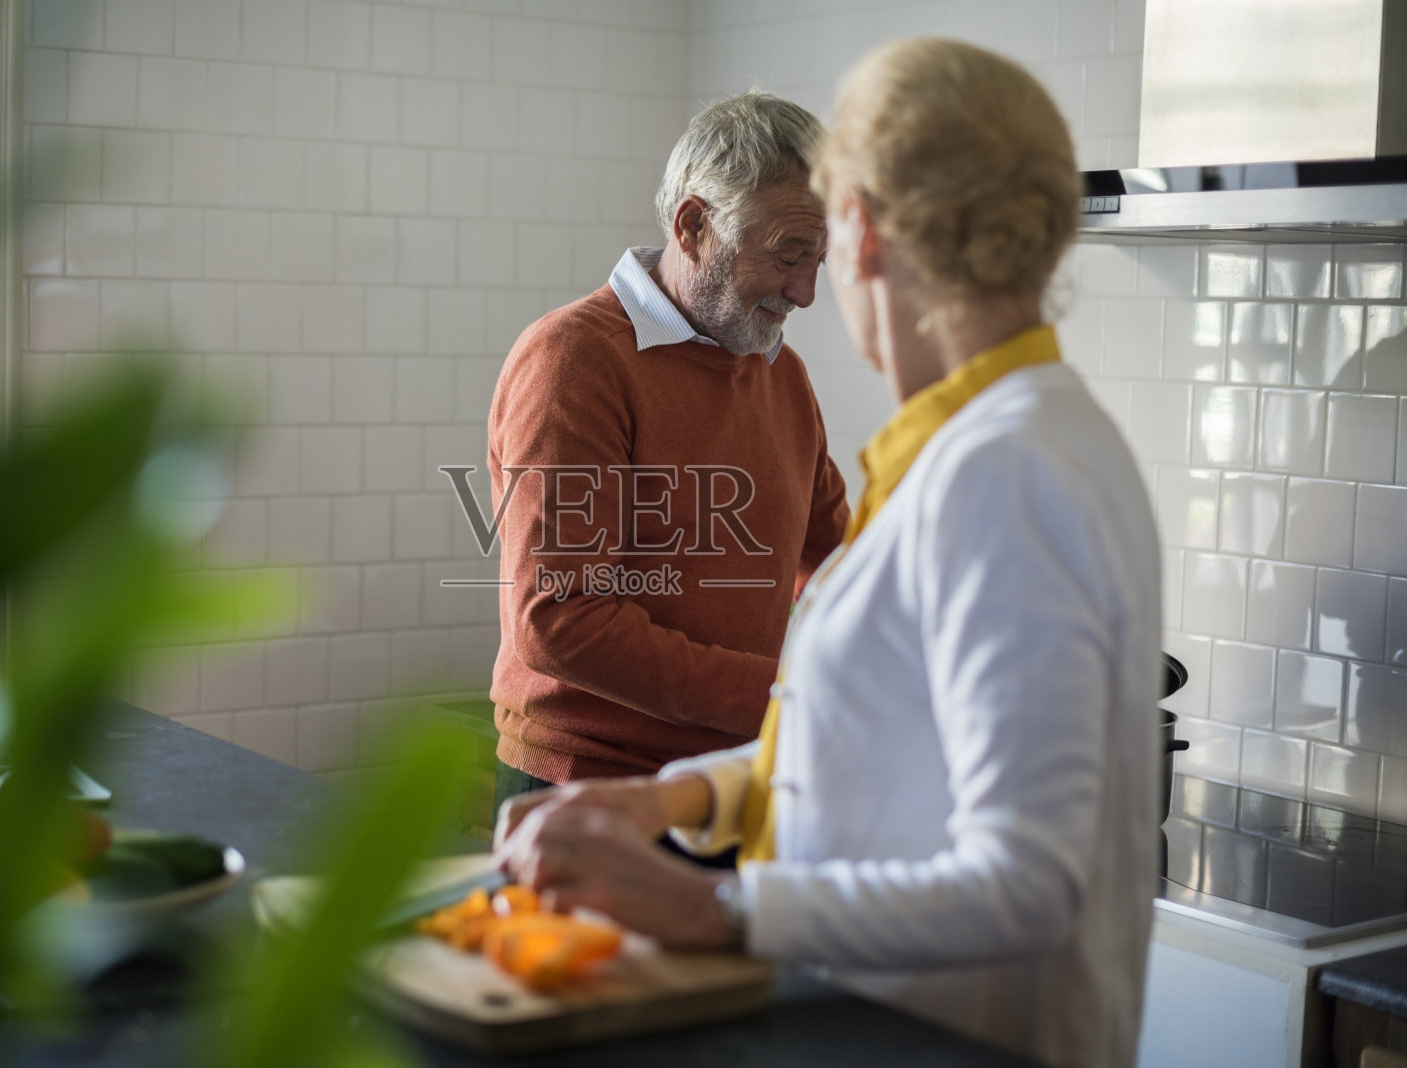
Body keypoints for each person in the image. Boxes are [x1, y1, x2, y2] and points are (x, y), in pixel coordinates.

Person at [496, 38, 1162, 1068]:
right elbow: (863, 714)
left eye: (818, 245)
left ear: (859, 231)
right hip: (632, 804)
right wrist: (686, 796)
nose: (806, 288)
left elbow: (1023, 883)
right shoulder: (999, 444)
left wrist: (714, 902)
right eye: (784, 250)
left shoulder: (1004, 469)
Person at [484, 91, 849, 816]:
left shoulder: (780, 372)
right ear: (694, 226)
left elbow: (837, 555)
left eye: (819, 260)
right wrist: (786, 699)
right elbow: (561, 620)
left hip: (733, 779)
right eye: (787, 254)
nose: (805, 293)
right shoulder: (575, 361)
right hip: (586, 789)